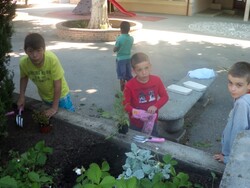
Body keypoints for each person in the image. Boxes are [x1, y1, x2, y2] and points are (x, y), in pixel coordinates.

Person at [17, 33, 75, 118]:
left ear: (44, 49)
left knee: (69, 118)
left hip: (62, 96)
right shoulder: (23, 63)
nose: (35, 55)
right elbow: (24, 77)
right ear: (25, 51)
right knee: (51, 119)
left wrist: (54, 108)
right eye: (30, 51)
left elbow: (57, 85)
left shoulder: (52, 59)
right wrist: (21, 96)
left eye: (38, 50)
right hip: (45, 97)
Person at [123, 52, 169, 136]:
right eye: (139, 70)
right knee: (136, 142)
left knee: (152, 140)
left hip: (152, 121)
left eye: (146, 68)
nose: (144, 72)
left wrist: (156, 106)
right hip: (136, 123)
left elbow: (164, 97)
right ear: (133, 71)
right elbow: (125, 104)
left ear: (150, 66)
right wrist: (136, 112)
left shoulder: (156, 80)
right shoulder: (129, 85)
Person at [214, 61, 250, 164]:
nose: (232, 89)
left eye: (239, 85)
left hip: (237, 155)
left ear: (249, 85)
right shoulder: (243, 96)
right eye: (230, 82)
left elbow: (238, 132)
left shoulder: (242, 103)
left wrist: (228, 158)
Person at [113, 21, 134, 91]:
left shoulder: (119, 38)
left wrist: (116, 41)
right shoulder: (131, 38)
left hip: (120, 59)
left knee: (122, 76)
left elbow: (115, 49)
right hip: (128, 59)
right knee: (128, 75)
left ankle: (122, 93)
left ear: (121, 29)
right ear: (129, 29)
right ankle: (130, 90)